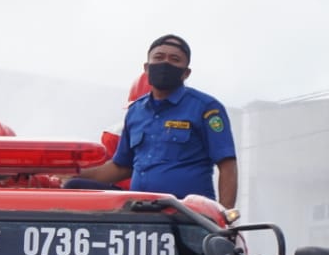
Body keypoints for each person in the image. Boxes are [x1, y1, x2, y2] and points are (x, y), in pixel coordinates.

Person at [67, 35, 238, 209]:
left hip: (188, 216)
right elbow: (121, 167)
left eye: (175, 59)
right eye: (159, 57)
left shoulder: (206, 108)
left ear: (186, 73)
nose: (165, 64)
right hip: (141, 212)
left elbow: (227, 165)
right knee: (73, 187)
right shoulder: (135, 111)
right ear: (147, 68)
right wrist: (71, 175)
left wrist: (224, 219)